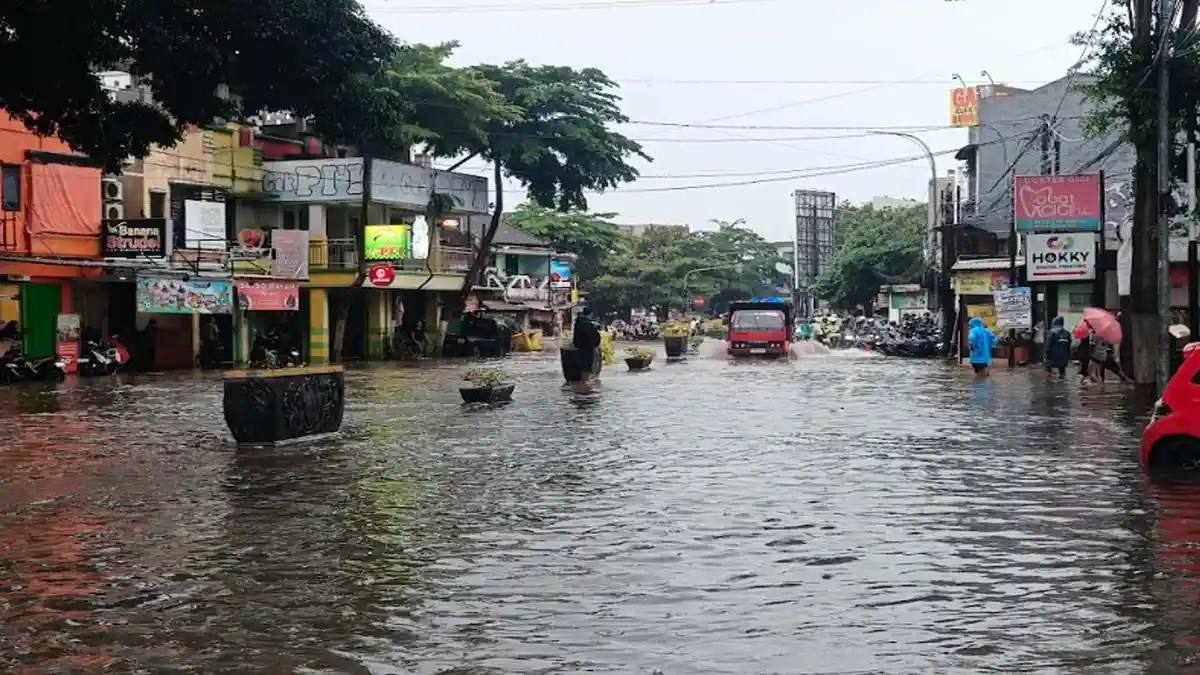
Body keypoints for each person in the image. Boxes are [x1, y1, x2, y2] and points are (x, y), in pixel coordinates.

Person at [573, 305, 602, 378]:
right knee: (586, 366)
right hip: (587, 348)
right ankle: (585, 381)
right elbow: (591, 337)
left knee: (583, 365)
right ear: (591, 314)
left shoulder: (579, 322)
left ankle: (584, 381)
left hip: (579, 347)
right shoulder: (587, 324)